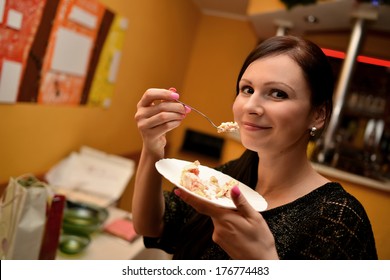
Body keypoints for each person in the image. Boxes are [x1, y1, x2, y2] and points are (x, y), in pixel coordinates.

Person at [132, 35, 377, 260]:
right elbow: (152, 226)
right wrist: (153, 145)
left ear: (318, 114)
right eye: (247, 89)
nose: (251, 106)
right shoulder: (228, 179)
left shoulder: (338, 218)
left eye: (278, 94)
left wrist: (263, 262)